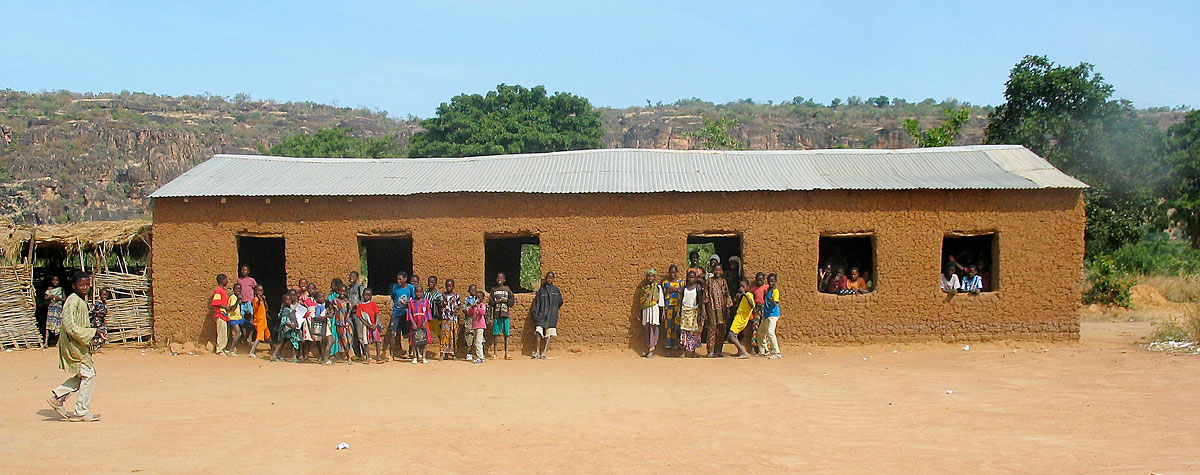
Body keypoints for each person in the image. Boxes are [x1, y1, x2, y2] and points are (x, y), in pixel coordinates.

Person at [47, 271, 102, 422]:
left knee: (83, 374)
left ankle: (58, 397)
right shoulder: (72, 301)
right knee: (88, 374)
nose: (85, 287)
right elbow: (70, 326)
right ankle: (81, 411)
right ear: (73, 286)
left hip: (79, 344)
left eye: (87, 285)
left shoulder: (81, 300)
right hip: (73, 345)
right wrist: (92, 332)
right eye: (81, 285)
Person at [530, 271, 563, 359]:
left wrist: (554, 309)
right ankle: (537, 351)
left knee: (549, 333)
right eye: (548, 278)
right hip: (541, 315)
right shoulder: (541, 290)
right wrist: (536, 315)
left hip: (552, 316)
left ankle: (544, 352)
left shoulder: (556, 290)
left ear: (553, 279)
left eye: (551, 278)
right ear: (545, 278)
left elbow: (560, 302)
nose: (549, 279)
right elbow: (537, 303)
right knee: (538, 331)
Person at [703, 264, 733, 357]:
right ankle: (710, 350)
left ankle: (718, 350)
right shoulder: (709, 281)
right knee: (712, 329)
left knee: (721, 330)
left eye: (720, 270)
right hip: (712, 309)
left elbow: (727, 295)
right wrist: (704, 310)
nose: (718, 272)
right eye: (716, 270)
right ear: (713, 271)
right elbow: (705, 296)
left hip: (723, 310)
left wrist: (728, 308)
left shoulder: (724, 282)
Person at [387, 272, 414, 361]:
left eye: (400, 279)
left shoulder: (410, 288)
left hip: (406, 313)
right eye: (397, 279)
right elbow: (393, 297)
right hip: (396, 313)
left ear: (405, 279)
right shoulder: (395, 287)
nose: (398, 281)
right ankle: (392, 353)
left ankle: (409, 352)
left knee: (407, 334)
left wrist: (408, 303)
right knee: (392, 333)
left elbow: (413, 300)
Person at [678, 271, 705, 358]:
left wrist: (701, 312)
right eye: (689, 277)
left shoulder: (697, 288)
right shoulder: (684, 289)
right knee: (684, 331)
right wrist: (678, 312)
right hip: (684, 312)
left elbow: (700, 301)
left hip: (693, 312)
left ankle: (693, 352)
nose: (691, 279)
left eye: (693, 277)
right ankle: (683, 351)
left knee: (693, 332)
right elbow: (680, 301)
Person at [638, 269, 664, 358]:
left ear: (654, 277)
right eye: (649, 276)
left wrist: (662, 312)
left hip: (654, 309)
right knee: (647, 328)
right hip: (646, 310)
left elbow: (661, 301)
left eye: (652, 276)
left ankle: (652, 348)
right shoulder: (644, 288)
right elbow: (641, 301)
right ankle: (648, 347)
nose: (650, 278)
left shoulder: (657, 287)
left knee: (653, 328)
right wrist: (640, 312)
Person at [725, 278, 754, 358]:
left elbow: (752, 305)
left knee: (731, 335)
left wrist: (745, 294)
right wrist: (738, 298)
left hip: (742, 318)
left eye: (743, 287)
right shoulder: (742, 296)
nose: (741, 288)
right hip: (739, 316)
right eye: (740, 286)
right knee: (735, 335)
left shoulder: (749, 295)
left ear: (747, 287)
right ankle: (739, 352)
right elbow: (736, 305)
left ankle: (743, 351)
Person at [489, 272, 515, 360]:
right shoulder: (493, 290)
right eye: (498, 278)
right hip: (496, 315)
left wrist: (506, 300)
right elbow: (490, 302)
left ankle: (507, 353)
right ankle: (495, 353)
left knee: (506, 334)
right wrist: (496, 302)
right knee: (496, 334)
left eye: (501, 278)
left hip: (505, 314)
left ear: (504, 280)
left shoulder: (507, 289)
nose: (499, 280)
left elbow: (512, 301)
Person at [660, 265, 685, 355]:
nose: (673, 274)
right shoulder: (665, 283)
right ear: (669, 273)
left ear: (677, 272)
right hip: (668, 307)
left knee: (677, 327)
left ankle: (676, 347)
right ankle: (668, 348)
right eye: (671, 272)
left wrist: (673, 290)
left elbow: (682, 294)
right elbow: (662, 295)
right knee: (668, 327)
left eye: (674, 272)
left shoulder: (681, 283)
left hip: (677, 308)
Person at [271, 294, 300, 363]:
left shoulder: (289, 309)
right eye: (287, 300)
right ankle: (294, 357)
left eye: (290, 299)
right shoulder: (286, 310)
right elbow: (283, 320)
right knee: (293, 342)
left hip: (287, 329)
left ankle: (275, 355)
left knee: (282, 342)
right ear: (284, 301)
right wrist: (291, 325)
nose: (289, 301)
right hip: (287, 329)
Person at [356, 288, 382, 364]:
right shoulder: (360, 306)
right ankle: (367, 357)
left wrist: (375, 324)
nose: (367, 296)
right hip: (366, 327)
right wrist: (368, 325)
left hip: (374, 325)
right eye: (365, 295)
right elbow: (360, 317)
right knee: (366, 342)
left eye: (369, 295)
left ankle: (378, 357)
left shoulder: (373, 305)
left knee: (378, 341)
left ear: (371, 296)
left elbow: (377, 314)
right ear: (362, 295)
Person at [759, 273, 782, 359]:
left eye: (772, 281)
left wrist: (771, 300)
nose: (770, 283)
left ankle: (777, 352)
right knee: (761, 333)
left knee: (770, 332)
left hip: (773, 314)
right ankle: (765, 350)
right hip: (766, 314)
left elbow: (775, 303)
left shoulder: (775, 291)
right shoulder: (768, 290)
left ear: (775, 281)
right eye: (769, 281)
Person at [408, 286, 431, 364]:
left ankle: (423, 357)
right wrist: (413, 323)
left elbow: (428, 313)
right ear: (415, 293)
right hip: (415, 323)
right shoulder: (411, 302)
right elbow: (410, 313)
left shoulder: (426, 302)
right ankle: (415, 356)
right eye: (417, 292)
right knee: (414, 340)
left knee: (424, 341)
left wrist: (425, 322)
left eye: (420, 292)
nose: (418, 293)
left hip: (423, 323)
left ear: (422, 292)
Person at [745, 272, 768, 352]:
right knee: (755, 327)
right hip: (757, 309)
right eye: (757, 280)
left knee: (765, 329)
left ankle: (765, 348)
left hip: (765, 309)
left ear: (764, 280)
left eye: (761, 280)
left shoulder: (766, 288)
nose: (759, 282)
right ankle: (753, 347)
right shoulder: (754, 289)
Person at [439, 279, 461, 360]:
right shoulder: (443, 295)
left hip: (453, 319)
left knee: (453, 336)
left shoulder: (456, 296)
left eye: (450, 286)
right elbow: (440, 305)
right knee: (444, 336)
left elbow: (459, 305)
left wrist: (456, 309)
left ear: (453, 286)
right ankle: (443, 353)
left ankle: (452, 353)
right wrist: (442, 304)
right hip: (445, 318)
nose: (449, 288)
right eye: (447, 286)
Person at [346, 271, 366, 358]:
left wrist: (356, 305)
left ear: (357, 278)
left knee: (360, 335)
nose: (351, 278)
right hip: (351, 314)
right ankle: (358, 354)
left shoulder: (359, 288)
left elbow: (363, 300)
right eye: (350, 276)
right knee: (353, 335)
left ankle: (365, 353)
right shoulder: (349, 289)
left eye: (353, 276)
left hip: (358, 313)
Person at [247, 285, 271, 357]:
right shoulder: (255, 300)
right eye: (258, 291)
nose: (260, 292)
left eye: (261, 290)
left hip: (264, 321)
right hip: (259, 321)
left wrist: (264, 300)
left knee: (268, 335)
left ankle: (273, 347)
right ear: (255, 292)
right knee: (259, 337)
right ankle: (252, 351)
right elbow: (256, 307)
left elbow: (266, 308)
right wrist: (259, 299)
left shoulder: (262, 300)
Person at [236, 265, 257, 345]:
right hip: (242, 302)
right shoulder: (239, 280)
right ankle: (245, 337)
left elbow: (256, 289)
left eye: (245, 270)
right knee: (242, 320)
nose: (243, 271)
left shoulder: (251, 280)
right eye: (242, 270)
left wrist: (254, 299)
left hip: (250, 302)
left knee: (251, 319)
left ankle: (249, 337)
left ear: (248, 272)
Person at [425, 276, 445, 359]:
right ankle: (423, 353)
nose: (430, 284)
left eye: (432, 282)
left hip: (434, 317)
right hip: (426, 318)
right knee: (424, 335)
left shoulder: (438, 295)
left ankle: (442, 352)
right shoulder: (425, 294)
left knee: (439, 334)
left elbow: (440, 306)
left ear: (436, 283)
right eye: (429, 282)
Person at [465, 289, 487, 364]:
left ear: (482, 299)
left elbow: (482, 312)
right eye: (476, 297)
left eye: (479, 297)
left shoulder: (482, 305)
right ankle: (479, 356)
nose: (478, 299)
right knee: (476, 342)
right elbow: (469, 313)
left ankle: (480, 357)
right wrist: (472, 307)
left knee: (478, 342)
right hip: (475, 326)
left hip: (480, 326)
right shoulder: (474, 306)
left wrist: (477, 306)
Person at [211, 274, 231, 355]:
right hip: (219, 314)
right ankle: (219, 349)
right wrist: (225, 307)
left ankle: (223, 347)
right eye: (226, 279)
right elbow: (216, 302)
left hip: (224, 315)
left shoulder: (222, 290)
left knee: (224, 332)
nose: (227, 281)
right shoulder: (218, 290)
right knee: (221, 332)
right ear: (222, 280)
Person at [224, 283, 245, 355]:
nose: (238, 291)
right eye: (236, 289)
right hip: (232, 318)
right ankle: (231, 350)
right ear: (233, 290)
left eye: (239, 289)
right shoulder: (233, 297)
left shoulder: (236, 298)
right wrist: (238, 301)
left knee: (248, 326)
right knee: (238, 333)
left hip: (237, 318)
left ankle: (242, 342)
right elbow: (232, 308)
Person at [43, 275, 64, 346]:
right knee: (48, 325)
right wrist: (49, 297)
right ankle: (46, 342)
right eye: (53, 280)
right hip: (51, 310)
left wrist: (59, 298)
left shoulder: (61, 289)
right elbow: (45, 299)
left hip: (58, 310)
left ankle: (57, 342)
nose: (55, 282)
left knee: (58, 326)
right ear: (51, 281)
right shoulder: (49, 289)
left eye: (57, 280)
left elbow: (65, 299)